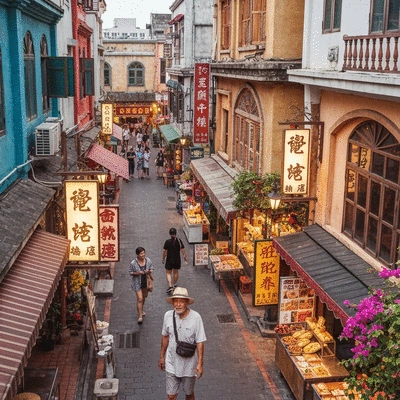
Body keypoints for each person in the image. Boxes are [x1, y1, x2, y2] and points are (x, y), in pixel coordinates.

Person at [158, 287, 206, 400]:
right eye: (176, 301)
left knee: (189, 394)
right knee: (171, 396)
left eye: (181, 301)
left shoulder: (196, 318)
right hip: (171, 363)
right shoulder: (168, 316)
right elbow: (165, 337)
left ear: (187, 303)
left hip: (189, 366)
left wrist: (200, 364)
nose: (178, 304)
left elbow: (200, 342)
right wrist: (161, 357)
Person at [128, 247, 154, 325]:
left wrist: (148, 271)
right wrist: (138, 273)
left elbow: (152, 268)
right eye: (141, 253)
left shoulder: (148, 260)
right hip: (137, 283)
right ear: (137, 255)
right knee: (140, 299)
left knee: (144, 297)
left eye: (143, 253)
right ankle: (140, 316)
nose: (143, 255)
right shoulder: (133, 263)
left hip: (145, 282)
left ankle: (141, 309)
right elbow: (130, 272)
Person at [162, 228, 187, 294]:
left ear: (170, 234)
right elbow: (183, 249)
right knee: (176, 272)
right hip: (177, 259)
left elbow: (165, 251)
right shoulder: (179, 240)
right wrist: (184, 257)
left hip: (169, 259)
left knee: (168, 273)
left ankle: (170, 286)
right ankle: (174, 284)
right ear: (175, 233)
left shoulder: (167, 242)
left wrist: (163, 258)